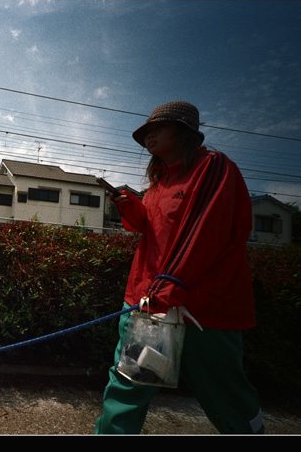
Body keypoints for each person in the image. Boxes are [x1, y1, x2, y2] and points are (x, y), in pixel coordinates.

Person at [94, 101, 265, 434]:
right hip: (148, 304)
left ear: (185, 131)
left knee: (226, 397)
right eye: (144, 132)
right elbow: (151, 228)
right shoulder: (159, 183)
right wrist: (130, 205)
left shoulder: (214, 166)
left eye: (157, 128)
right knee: (126, 387)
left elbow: (205, 231)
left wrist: (168, 282)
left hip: (202, 312)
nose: (148, 136)